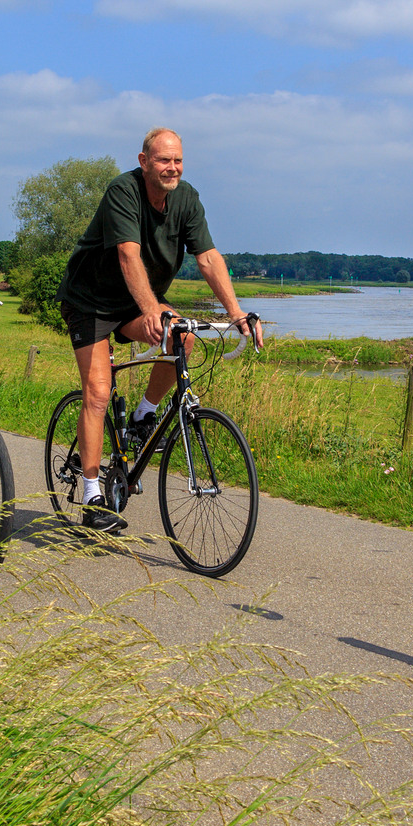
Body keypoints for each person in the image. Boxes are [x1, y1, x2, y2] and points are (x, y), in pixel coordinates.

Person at [56, 127, 262, 532]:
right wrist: (152, 309)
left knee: (181, 334)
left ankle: (143, 416)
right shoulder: (123, 191)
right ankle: (92, 493)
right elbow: (128, 255)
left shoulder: (186, 199)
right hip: (90, 302)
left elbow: (207, 257)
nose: (172, 168)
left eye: (178, 160)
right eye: (164, 160)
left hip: (135, 301)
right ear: (144, 161)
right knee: (97, 394)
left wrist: (237, 313)